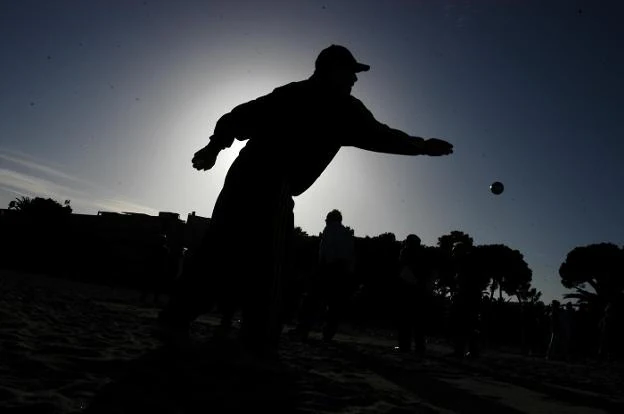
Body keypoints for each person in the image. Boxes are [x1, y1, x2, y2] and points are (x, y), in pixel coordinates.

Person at [156, 44, 453, 358]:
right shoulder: (322, 103)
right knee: (257, 259)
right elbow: (240, 117)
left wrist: (420, 146)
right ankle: (250, 339)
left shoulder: (328, 104)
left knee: (230, 253)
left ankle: (192, 324)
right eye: (350, 71)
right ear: (329, 69)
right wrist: (214, 147)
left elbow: (381, 135)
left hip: (257, 181)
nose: (355, 78)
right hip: (262, 180)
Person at [290, 209, 356, 342]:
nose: (325, 221)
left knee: (311, 300)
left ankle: (303, 328)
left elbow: (325, 250)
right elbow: (351, 256)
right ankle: (328, 333)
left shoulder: (330, 229)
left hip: (328, 268)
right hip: (342, 271)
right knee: (335, 304)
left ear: (330, 219)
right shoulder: (347, 234)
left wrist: (320, 268)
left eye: (326, 218)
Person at [395, 234, 434, 355]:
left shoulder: (406, 252)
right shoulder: (424, 255)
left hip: (408, 288)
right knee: (418, 320)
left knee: (405, 319)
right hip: (420, 290)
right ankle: (419, 346)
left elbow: (403, 267)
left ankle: (404, 346)